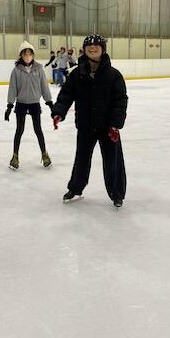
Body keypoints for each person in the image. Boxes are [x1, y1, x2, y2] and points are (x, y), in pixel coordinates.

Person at [51, 34, 128, 208]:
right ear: (84, 50)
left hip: (108, 127)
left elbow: (120, 101)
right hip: (85, 125)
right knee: (81, 159)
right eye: (89, 47)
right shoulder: (77, 74)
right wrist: (59, 112)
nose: (92, 49)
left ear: (103, 50)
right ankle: (75, 188)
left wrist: (115, 124)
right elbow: (66, 95)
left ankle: (117, 194)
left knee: (113, 161)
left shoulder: (114, 75)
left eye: (96, 46)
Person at [6, 41, 53, 170]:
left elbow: (44, 86)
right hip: (21, 103)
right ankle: (15, 156)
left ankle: (44, 154)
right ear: (21, 56)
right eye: (25, 54)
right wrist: (9, 105)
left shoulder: (39, 69)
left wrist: (49, 102)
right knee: (19, 130)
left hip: (34, 104)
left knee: (38, 130)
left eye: (30, 54)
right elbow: (12, 88)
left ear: (33, 55)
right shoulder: (16, 70)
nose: (27, 57)